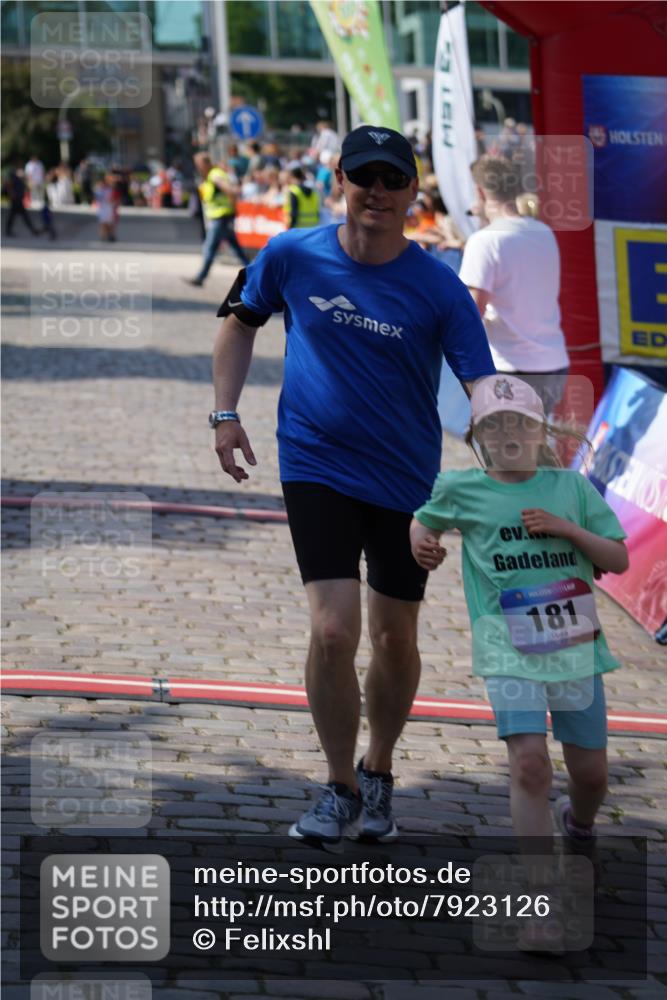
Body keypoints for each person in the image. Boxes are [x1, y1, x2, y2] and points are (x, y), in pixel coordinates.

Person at [211, 125, 495, 852]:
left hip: (404, 478)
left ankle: (378, 768)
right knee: (333, 630)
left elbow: (482, 385)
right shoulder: (289, 253)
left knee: (394, 637)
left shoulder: (437, 284)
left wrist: (513, 470)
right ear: (339, 176)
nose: (376, 190)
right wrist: (224, 412)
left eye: (391, 179)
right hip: (315, 464)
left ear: (411, 191)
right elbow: (238, 322)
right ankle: (337, 785)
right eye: (363, 174)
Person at [411, 374, 628, 948]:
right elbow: (424, 520)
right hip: (507, 648)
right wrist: (422, 544)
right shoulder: (462, 487)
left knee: (591, 775)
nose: (509, 435)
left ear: (542, 431)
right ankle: (544, 906)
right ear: (477, 437)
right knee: (530, 766)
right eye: (495, 426)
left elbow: (619, 558)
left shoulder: (571, 489)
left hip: (575, 649)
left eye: (520, 425)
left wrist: (563, 528)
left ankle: (578, 824)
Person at [459, 155, 570, 420]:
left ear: (480, 191)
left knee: (506, 459)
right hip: (552, 363)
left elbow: (470, 313)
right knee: (536, 454)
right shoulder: (544, 232)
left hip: (509, 367)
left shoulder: (484, 241)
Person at [186, 153, 249, 287]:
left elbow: (230, 191)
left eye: (199, 164)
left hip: (221, 217)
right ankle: (255, 273)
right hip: (220, 217)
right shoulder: (210, 175)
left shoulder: (215, 175)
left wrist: (233, 209)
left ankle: (200, 277)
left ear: (206, 163)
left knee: (210, 247)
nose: (198, 167)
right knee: (235, 248)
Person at [4, 162, 40, 237]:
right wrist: (12, 194)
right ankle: (33, 230)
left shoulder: (18, 176)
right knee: (21, 215)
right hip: (16, 199)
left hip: (18, 198)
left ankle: (8, 230)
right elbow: (8, 185)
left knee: (15, 215)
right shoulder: (13, 175)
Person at [283, 164, 319, 229]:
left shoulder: (294, 191)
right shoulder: (313, 191)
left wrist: (290, 228)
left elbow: (294, 213)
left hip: (298, 228)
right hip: (313, 227)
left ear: (292, 177)